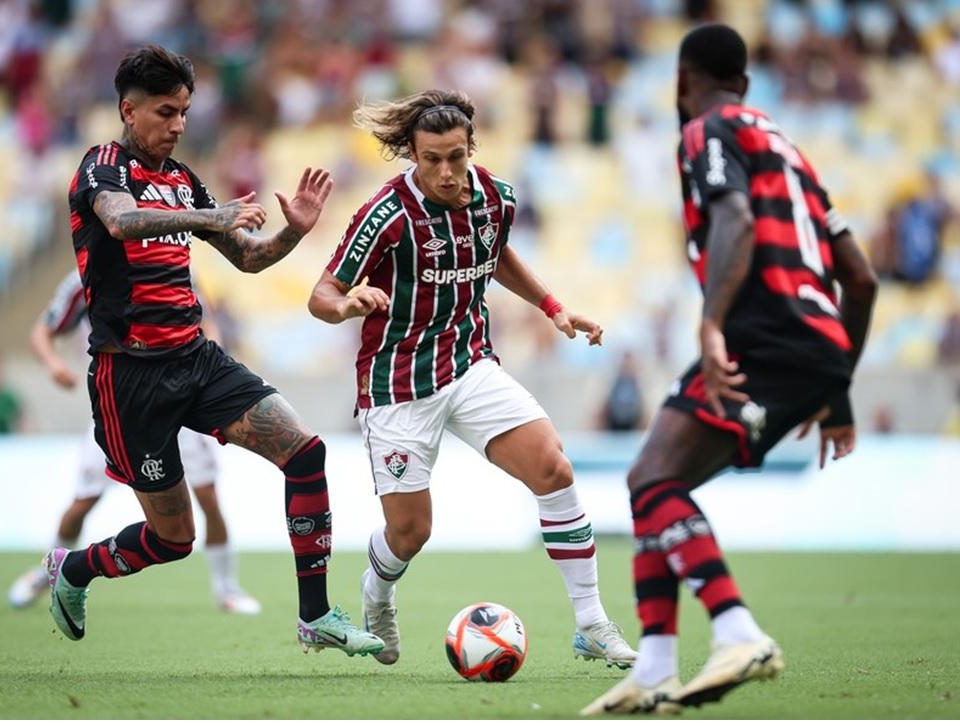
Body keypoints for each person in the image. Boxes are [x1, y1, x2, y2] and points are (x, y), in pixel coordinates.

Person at [47, 44, 382, 658]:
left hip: (197, 360)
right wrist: (212, 213)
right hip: (131, 377)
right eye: (165, 112)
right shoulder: (102, 168)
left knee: (305, 454)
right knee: (174, 539)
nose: (177, 125)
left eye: (184, 112)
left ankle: (316, 617)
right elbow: (120, 223)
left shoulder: (183, 181)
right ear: (129, 109)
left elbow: (249, 257)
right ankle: (74, 570)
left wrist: (293, 232)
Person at [581, 24, 877, 715]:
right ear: (745, 83)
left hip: (763, 332)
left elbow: (735, 220)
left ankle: (738, 631)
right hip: (813, 344)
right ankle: (654, 669)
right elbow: (859, 280)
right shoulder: (787, 150)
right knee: (653, 479)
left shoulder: (706, 130)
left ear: (683, 81)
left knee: (654, 478)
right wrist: (836, 390)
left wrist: (711, 321)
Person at [307, 89, 637, 669]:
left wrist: (553, 306)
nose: (445, 172)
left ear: (470, 148)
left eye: (455, 156)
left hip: (469, 362)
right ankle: (376, 590)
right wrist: (346, 305)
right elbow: (321, 295)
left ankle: (591, 623)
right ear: (411, 153)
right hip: (398, 383)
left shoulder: (495, 197)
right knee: (410, 533)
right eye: (431, 158)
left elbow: (497, 252)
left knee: (554, 468)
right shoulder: (384, 214)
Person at [7, 269, 261, 615]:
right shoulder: (84, 277)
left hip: (181, 400)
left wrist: (211, 365)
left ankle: (226, 589)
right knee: (83, 501)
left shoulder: (171, 262)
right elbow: (44, 329)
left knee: (208, 496)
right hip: (117, 406)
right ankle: (49, 571)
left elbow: (207, 320)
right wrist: (53, 364)